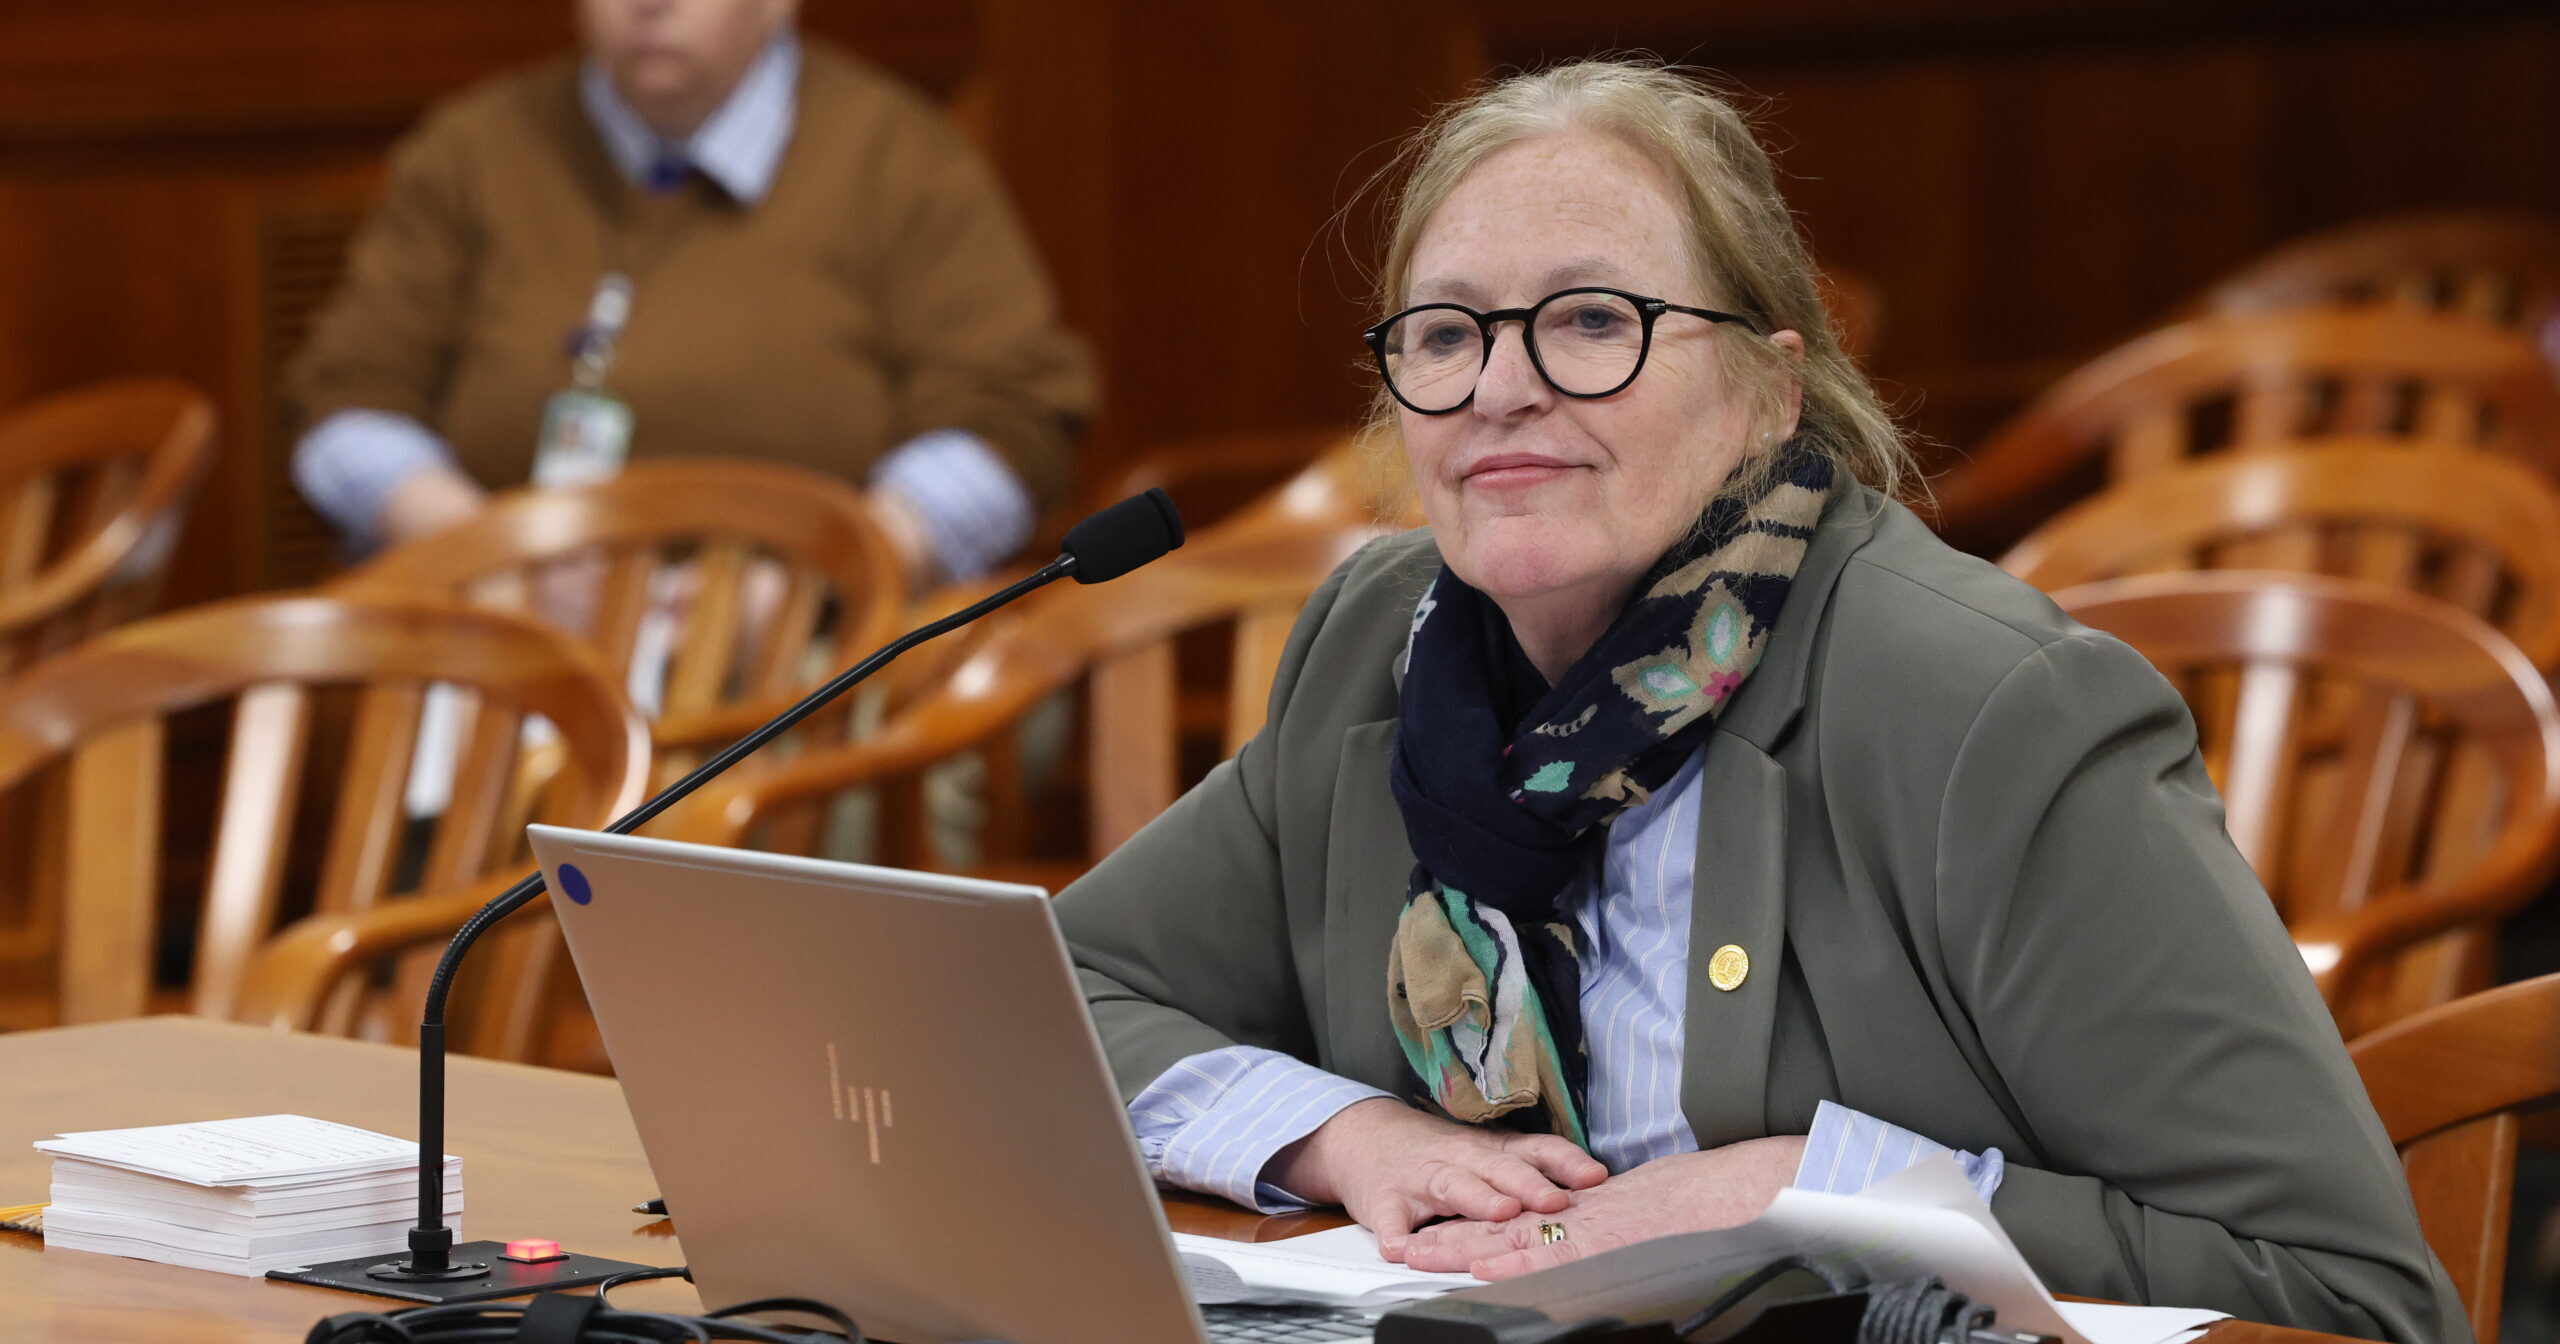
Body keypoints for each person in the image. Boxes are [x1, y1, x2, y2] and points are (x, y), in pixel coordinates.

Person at [1053, 60, 2462, 1342]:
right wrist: (1346, 1135)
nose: (1501, 387)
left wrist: (1824, 1191)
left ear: (1767, 393)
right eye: (1444, 334)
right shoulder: (1380, 648)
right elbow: (1062, 995)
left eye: (1593, 318)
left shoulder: (1991, 711)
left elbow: (2343, 1292)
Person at [286, 0, 1094, 588]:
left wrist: (825, 577)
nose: (650, 5)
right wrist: (490, 553)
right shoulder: (474, 147)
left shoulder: (899, 156)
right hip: (505, 623)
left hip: (804, 630)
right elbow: (343, 407)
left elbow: (1010, 422)